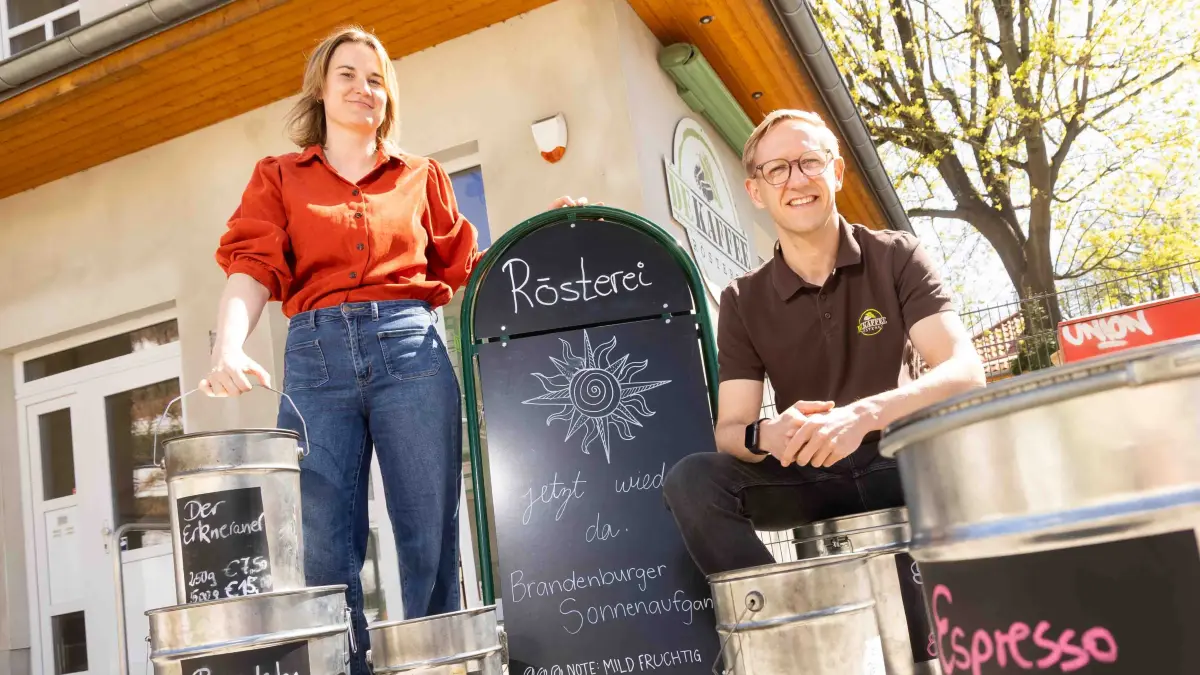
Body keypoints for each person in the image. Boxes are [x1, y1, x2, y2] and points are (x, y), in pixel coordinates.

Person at [198, 26, 592, 674]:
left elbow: (471, 265)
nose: (364, 88)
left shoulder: (421, 177)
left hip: (411, 352)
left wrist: (546, 235)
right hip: (315, 362)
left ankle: (442, 667)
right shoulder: (279, 177)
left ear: (389, 97)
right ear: (320, 89)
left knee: (430, 538)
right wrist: (230, 345)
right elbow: (252, 265)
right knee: (322, 548)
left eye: (376, 78)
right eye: (348, 74)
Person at [663, 109, 986, 576]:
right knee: (692, 480)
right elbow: (731, 429)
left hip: (902, 461)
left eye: (810, 162)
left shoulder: (897, 256)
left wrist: (862, 416)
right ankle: (785, 616)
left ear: (835, 172)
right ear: (756, 191)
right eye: (777, 169)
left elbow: (964, 372)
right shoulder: (741, 299)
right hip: (810, 474)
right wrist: (766, 435)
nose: (796, 180)